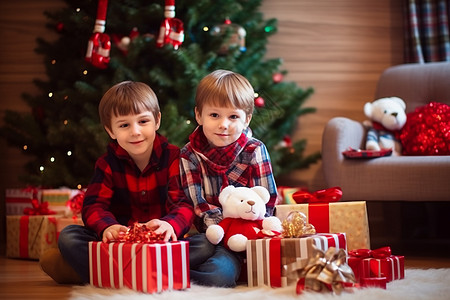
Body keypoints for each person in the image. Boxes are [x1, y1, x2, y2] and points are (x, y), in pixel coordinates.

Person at [39, 81, 195, 284]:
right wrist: (108, 228)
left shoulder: (174, 156)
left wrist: (170, 225)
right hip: (119, 244)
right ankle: (152, 275)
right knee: (69, 237)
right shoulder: (107, 164)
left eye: (143, 122)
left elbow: (183, 203)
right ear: (110, 131)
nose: (135, 131)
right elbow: (93, 206)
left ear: (157, 121)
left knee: (204, 245)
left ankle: (99, 273)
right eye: (124, 125)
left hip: (161, 243)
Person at [180, 69, 278, 287]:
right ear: (199, 115)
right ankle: (160, 268)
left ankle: (180, 276)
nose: (223, 124)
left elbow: (267, 201)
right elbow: (198, 204)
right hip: (208, 233)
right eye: (214, 115)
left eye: (233, 116)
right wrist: (220, 229)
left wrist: (241, 233)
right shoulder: (189, 154)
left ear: (247, 119)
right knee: (201, 247)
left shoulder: (255, 150)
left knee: (219, 276)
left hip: (243, 238)